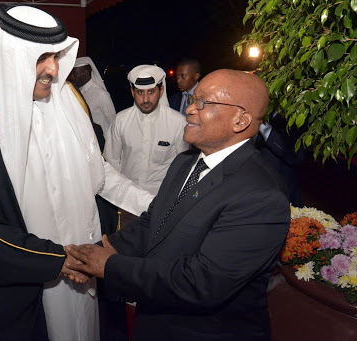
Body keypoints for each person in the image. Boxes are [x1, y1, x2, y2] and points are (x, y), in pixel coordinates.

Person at [0, 4, 153, 340]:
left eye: (56, 55)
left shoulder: (71, 100)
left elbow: (99, 174)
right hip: (32, 279)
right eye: (42, 57)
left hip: (88, 267)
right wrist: (59, 260)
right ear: (11, 58)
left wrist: (152, 203)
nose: (54, 69)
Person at [68, 69, 291, 341]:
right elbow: (154, 220)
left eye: (203, 103)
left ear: (240, 120)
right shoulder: (185, 163)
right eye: (192, 100)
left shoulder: (261, 195)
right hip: (155, 320)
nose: (189, 110)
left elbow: (202, 282)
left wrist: (110, 266)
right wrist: (101, 251)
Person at [104, 64, 189, 196]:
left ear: (161, 91)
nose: (145, 99)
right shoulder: (121, 120)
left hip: (161, 199)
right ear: (132, 92)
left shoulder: (177, 123)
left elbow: (183, 167)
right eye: (140, 92)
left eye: (151, 92)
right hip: (128, 199)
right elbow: (111, 162)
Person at [67, 56, 116, 137]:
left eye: (75, 74)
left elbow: (113, 122)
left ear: (86, 72)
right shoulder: (79, 92)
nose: (72, 77)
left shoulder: (101, 94)